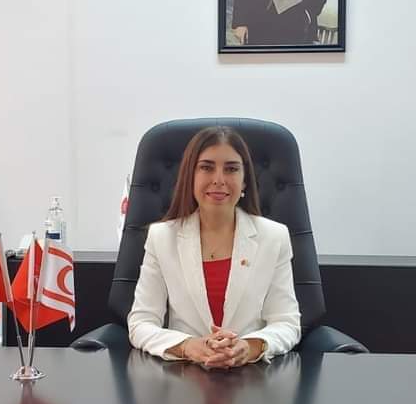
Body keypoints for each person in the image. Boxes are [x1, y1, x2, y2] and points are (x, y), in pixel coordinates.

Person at [128, 126, 302, 368]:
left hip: (252, 377)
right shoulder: (162, 237)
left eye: (231, 169)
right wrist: (188, 346)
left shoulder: (274, 237)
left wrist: (250, 347)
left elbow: (287, 323)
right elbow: (141, 323)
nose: (219, 179)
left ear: (244, 181)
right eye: (206, 167)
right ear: (190, 176)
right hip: (183, 375)